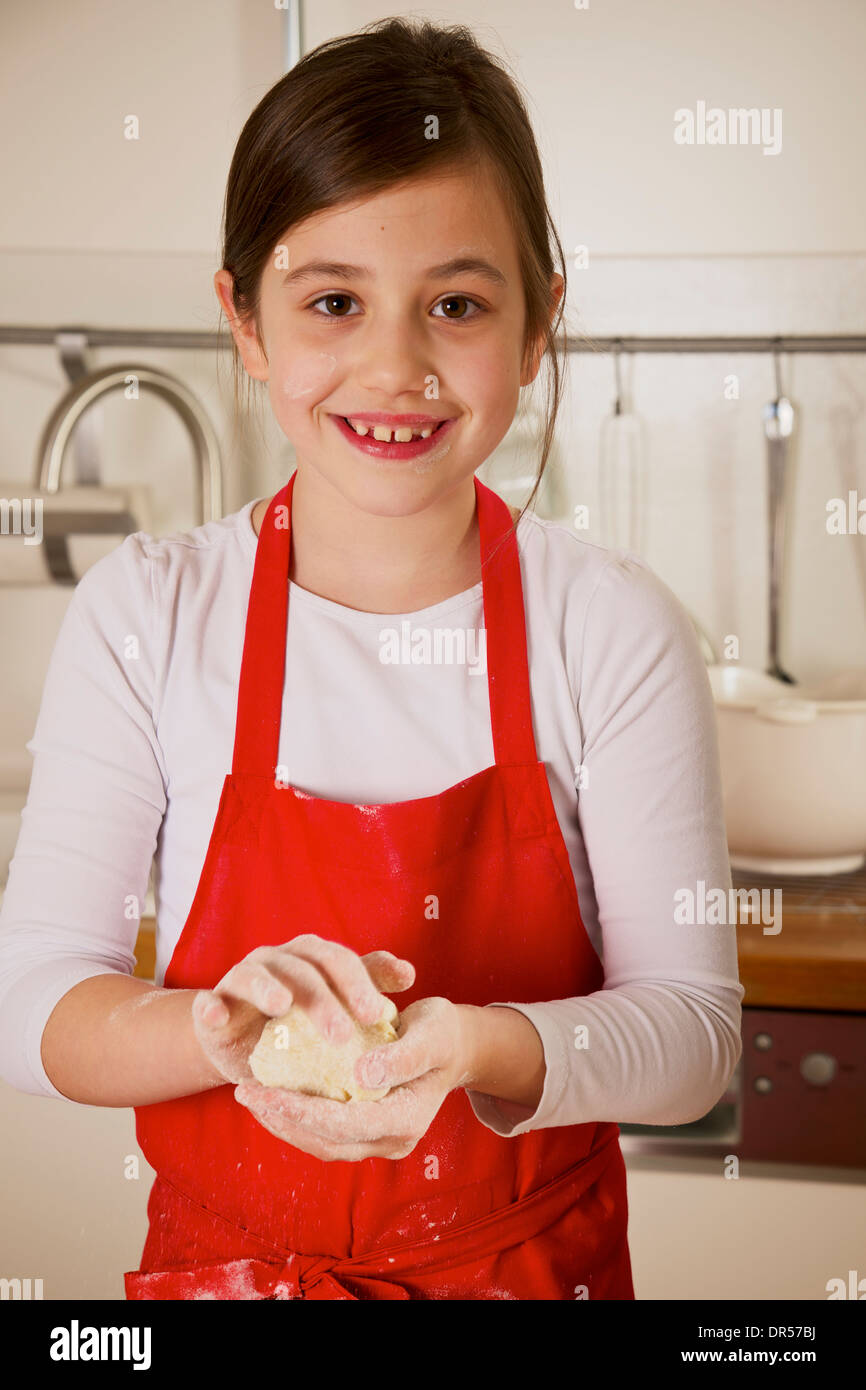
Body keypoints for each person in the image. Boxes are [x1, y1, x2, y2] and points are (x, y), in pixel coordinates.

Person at [0, 17, 742, 1300]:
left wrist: (477, 1047)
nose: (395, 366)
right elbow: (31, 1006)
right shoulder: (148, 615)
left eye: (455, 303)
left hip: (528, 1274)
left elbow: (690, 1037)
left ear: (535, 324)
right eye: (333, 301)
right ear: (243, 320)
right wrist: (220, 1030)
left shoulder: (607, 625)